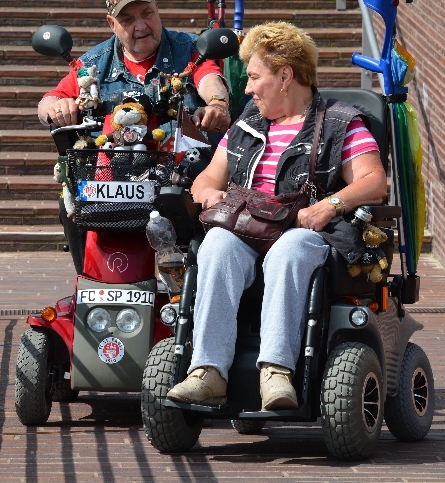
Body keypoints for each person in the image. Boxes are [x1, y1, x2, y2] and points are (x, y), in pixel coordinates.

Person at [166, 22, 389, 410]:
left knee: (291, 247)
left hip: (304, 228)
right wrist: (207, 193)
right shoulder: (249, 121)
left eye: (254, 77)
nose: (247, 88)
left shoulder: (340, 121)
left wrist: (329, 206)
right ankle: (208, 372)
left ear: (285, 76)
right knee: (216, 243)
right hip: (246, 227)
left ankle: (276, 372)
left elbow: (373, 182)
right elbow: (207, 179)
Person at [37, 0, 232, 273]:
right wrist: (56, 107)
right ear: (111, 24)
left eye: (147, 14)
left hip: (181, 177)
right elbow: (47, 102)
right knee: (72, 204)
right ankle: (91, 282)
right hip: (115, 179)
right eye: (128, 19)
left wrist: (217, 105)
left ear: (158, 9)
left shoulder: (188, 48)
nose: (140, 26)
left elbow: (208, 78)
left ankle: (197, 289)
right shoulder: (94, 64)